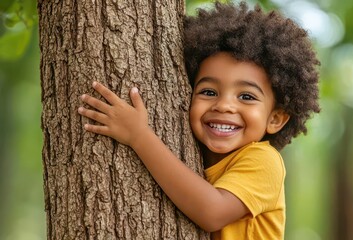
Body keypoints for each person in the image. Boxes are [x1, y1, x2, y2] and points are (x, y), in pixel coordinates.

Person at [78, 1, 320, 239]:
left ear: (275, 118)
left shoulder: (264, 161)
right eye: (208, 92)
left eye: (246, 96)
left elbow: (211, 212)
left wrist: (139, 136)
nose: (224, 105)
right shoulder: (194, 152)